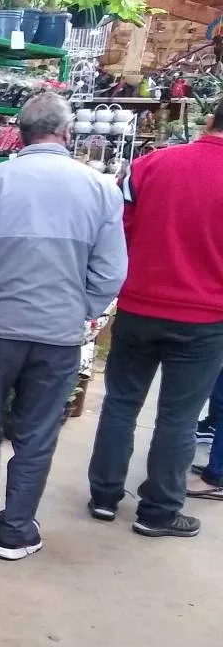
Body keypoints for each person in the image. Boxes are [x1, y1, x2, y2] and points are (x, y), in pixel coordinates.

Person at [0, 92, 127, 560]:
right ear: (67, 133)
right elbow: (111, 270)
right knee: (37, 434)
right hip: (57, 336)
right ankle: (17, 530)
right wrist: (82, 309)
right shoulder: (101, 189)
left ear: (19, 133)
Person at [89, 99, 223, 535]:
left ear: (209, 119)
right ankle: (159, 512)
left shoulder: (151, 166)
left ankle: (105, 497)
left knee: (121, 403)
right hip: (205, 319)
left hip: (139, 307)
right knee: (178, 418)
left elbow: (118, 232)